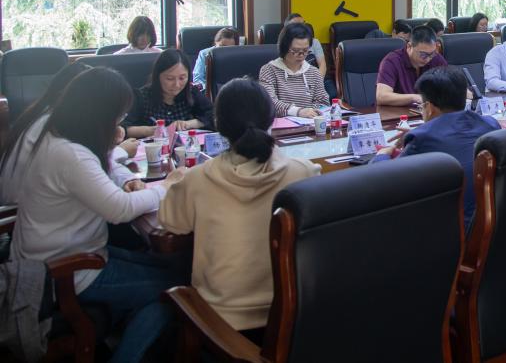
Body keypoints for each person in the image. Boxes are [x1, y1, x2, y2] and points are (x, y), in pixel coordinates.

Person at [10, 67, 183, 363]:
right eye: (118, 115)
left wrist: (124, 181)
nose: (119, 123)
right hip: (64, 270)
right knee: (175, 290)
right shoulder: (70, 154)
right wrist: (166, 186)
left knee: (167, 265)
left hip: (59, 255)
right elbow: (119, 209)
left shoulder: (56, 138)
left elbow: (96, 182)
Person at [158, 78, 319, 336]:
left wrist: (172, 183)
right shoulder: (304, 172)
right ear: (271, 119)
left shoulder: (197, 179)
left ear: (219, 124)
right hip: (291, 315)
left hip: (221, 320)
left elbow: (171, 223)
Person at [374, 67, 499, 228]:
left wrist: (382, 154)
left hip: (453, 231)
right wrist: (421, 131)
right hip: (493, 223)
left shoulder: (422, 138)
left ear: (429, 108)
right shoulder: (490, 124)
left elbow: (384, 182)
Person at [0, 63, 141, 201]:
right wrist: (120, 151)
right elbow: (84, 165)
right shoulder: (57, 125)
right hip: (23, 206)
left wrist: (126, 179)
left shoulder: (43, 113)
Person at [124, 49, 214, 138]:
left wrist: (188, 124)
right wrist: (151, 131)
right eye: (170, 79)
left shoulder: (191, 92)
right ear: (157, 76)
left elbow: (214, 116)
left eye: (182, 78)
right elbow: (123, 129)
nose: (177, 84)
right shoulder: (141, 97)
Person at [258, 22, 330, 117]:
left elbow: (323, 103)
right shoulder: (269, 70)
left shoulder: (313, 72)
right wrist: (298, 112)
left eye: (305, 51)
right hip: (280, 124)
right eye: (295, 51)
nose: (301, 55)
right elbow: (269, 102)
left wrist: (310, 112)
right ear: (284, 48)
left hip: (309, 123)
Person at [376, 25, 448, 106]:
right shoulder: (392, 61)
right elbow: (381, 97)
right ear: (409, 46)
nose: (428, 59)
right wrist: (414, 98)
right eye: (423, 54)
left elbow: (450, 85)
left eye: (432, 54)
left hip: (425, 111)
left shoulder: (436, 58)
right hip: (396, 111)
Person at [192, 26, 240, 91]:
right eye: (221, 46)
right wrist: (209, 89)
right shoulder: (204, 54)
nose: (225, 51)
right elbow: (197, 79)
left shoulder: (238, 56)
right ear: (215, 43)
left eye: (229, 48)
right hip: (209, 91)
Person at [282, 13, 327, 80]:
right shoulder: (283, 46)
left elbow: (322, 65)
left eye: (303, 24)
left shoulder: (314, 42)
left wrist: (316, 82)